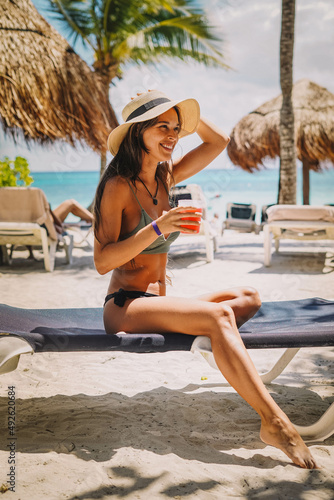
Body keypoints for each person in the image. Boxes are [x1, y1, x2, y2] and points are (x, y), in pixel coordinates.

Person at [93, 90, 317, 469]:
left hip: (158, 300)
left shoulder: (165, 176)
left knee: (248, 296)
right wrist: (158, 228)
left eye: (176, 129)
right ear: (137, 132)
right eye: (162, 127)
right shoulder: (118, 186)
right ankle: (275, 423)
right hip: (125, 305)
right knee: (220, 318)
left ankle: (213, 336)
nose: (172, 135)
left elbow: (219, 142)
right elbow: (102, 262)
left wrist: (181, 110)